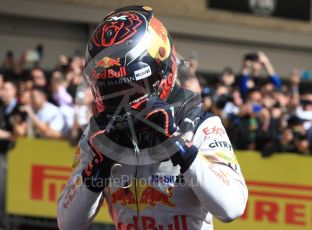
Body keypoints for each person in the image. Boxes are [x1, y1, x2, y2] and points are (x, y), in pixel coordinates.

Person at [57, 6, 248, 230]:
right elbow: (67, 223)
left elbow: (232, 207)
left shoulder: (198, 123)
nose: (122, 103)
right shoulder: (98, 135)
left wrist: (179, 146)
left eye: (130, 88)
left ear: (160, 74)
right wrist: (98, 167)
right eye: (109, 91)